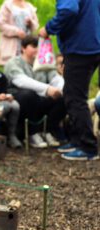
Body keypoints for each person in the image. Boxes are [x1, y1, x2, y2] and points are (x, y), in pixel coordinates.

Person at [39, 0, 100, 160]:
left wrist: (49, 28)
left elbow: (69, 10)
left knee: (75, 98)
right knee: (72, 93)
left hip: (80, 48)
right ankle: (77, 140)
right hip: (93, 44)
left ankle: (88, 147)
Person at [4, 35, 66, 148]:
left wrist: (60, 89)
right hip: (21, 101)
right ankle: (32, 133)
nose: (37, 49)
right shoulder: (13, 63)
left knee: (66, 96)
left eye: (39, 47)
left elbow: (56, 78)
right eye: (33, 46)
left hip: (40, 99)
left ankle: (48, 131)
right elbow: (21, 81)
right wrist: (47, 89)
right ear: (23, 48)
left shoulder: (44, 63)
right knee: (28, 94)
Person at [0, 0, 39, 65]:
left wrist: (31, 23)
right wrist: (16, 32)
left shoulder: (30, 7)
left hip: (26, 46)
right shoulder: (7, 5)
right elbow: (0, 24)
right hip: (11, 47)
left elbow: (36, 26)